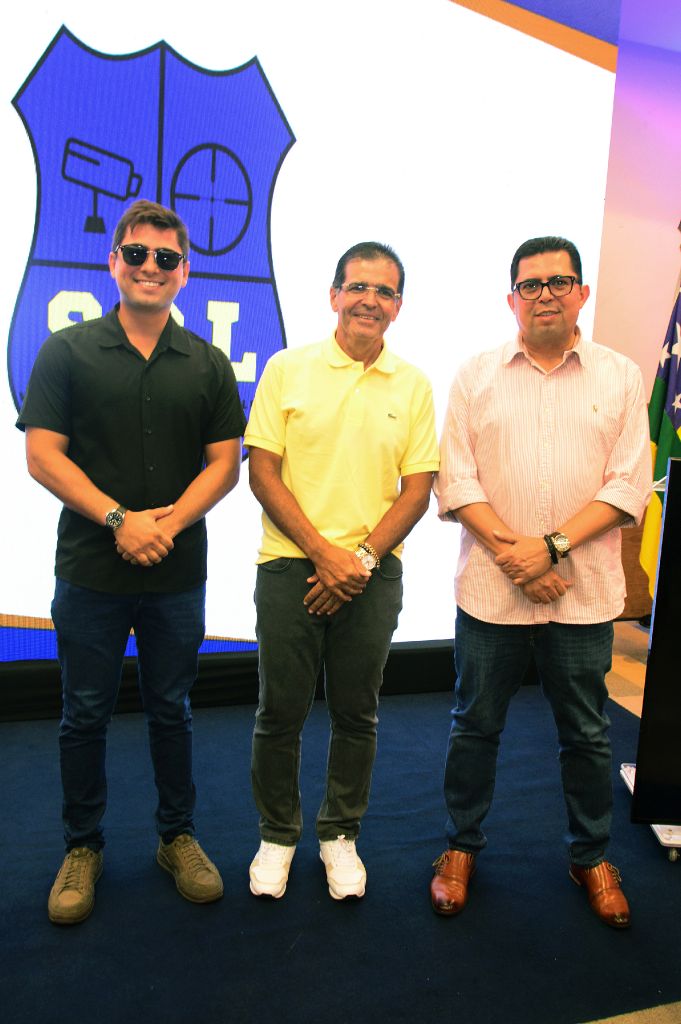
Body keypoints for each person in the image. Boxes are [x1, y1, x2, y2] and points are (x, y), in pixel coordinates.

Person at [17, 199, 246, 924]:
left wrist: (164, 525)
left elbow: (224, 463)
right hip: (91, 572)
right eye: (138, 254)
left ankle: (176, 838)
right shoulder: (66, 352)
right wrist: (121, 520)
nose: (152, 267)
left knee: (172, 710)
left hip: (175, 573)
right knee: (83, 713)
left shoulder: (207, 362)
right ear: (113, 260)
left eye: (166, 258)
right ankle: (82, 847)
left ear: (185, 272)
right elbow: (42, 455)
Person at [430, 236, 652, 929]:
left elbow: (628, 486)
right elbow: (456, 480)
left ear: (581, 293)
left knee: (586, 733)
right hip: (490, 592)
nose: (545, 294)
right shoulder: (476, 375)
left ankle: (590, 856)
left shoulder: (620, 376)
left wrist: (550, 550)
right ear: (511, 299)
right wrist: (515, 558)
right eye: (530, 284)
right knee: (474, 726)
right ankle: (460, 847)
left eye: (559, 281)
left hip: (582, 596)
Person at [244, 241, 439, 900]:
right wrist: (324, 555)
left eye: (384, 291)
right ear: (333, 295)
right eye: (357, 287)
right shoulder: (287, 368)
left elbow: (417, 489)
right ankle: (277, 834)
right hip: (289, 567)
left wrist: (358, 560)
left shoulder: (412, 384)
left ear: (398, 306)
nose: (369, 301)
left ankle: (339, 835)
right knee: (280, 712)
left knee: (357, 713)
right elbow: (262, 472)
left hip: (370, 575)